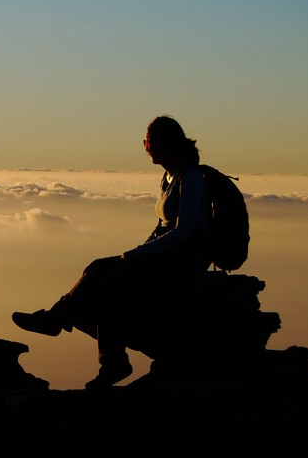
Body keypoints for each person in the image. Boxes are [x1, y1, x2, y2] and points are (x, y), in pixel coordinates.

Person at [12, 116, 213, 389]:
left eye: (150, 142)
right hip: (164, 253)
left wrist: (141, 254)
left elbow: (183, 231)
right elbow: (161, 229)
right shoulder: (169, 178)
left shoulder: (190, 178)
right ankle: (57, 318)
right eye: (146, 142)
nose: (146, 148)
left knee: (109, 287)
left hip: (182, 259)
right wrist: (139, 252)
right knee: (96, 269)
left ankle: (108, 359)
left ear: (167, 143)